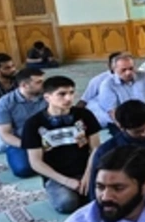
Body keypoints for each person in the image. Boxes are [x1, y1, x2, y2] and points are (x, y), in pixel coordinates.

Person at [22, 75, 102, 213]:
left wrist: (88, 174)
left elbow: (96, 148)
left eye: (71, 93)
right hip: (57, 176)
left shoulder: (85, 115)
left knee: (106, 198)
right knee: (67, 203)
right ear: (47, 97)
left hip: (85, 169)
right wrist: (67, 181)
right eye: (62, 94)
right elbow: (35, 162)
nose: (68, 98)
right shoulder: (33, 124)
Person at [0, 66, 46, 177]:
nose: (44, 85)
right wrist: (28, 145)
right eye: (39, 82)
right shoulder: (5, 103)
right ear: (24, 85)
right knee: (23, 170)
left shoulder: (48, 96)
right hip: (21, 141)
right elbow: (5, 133)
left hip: (48, 138)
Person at [93, 53, 145, 129]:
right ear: (114, 69)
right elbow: (112, 111)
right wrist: (124, 128)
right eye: (123, 70)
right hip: (123, 121)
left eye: (131, 68)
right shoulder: (107, 85)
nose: (128, 73)